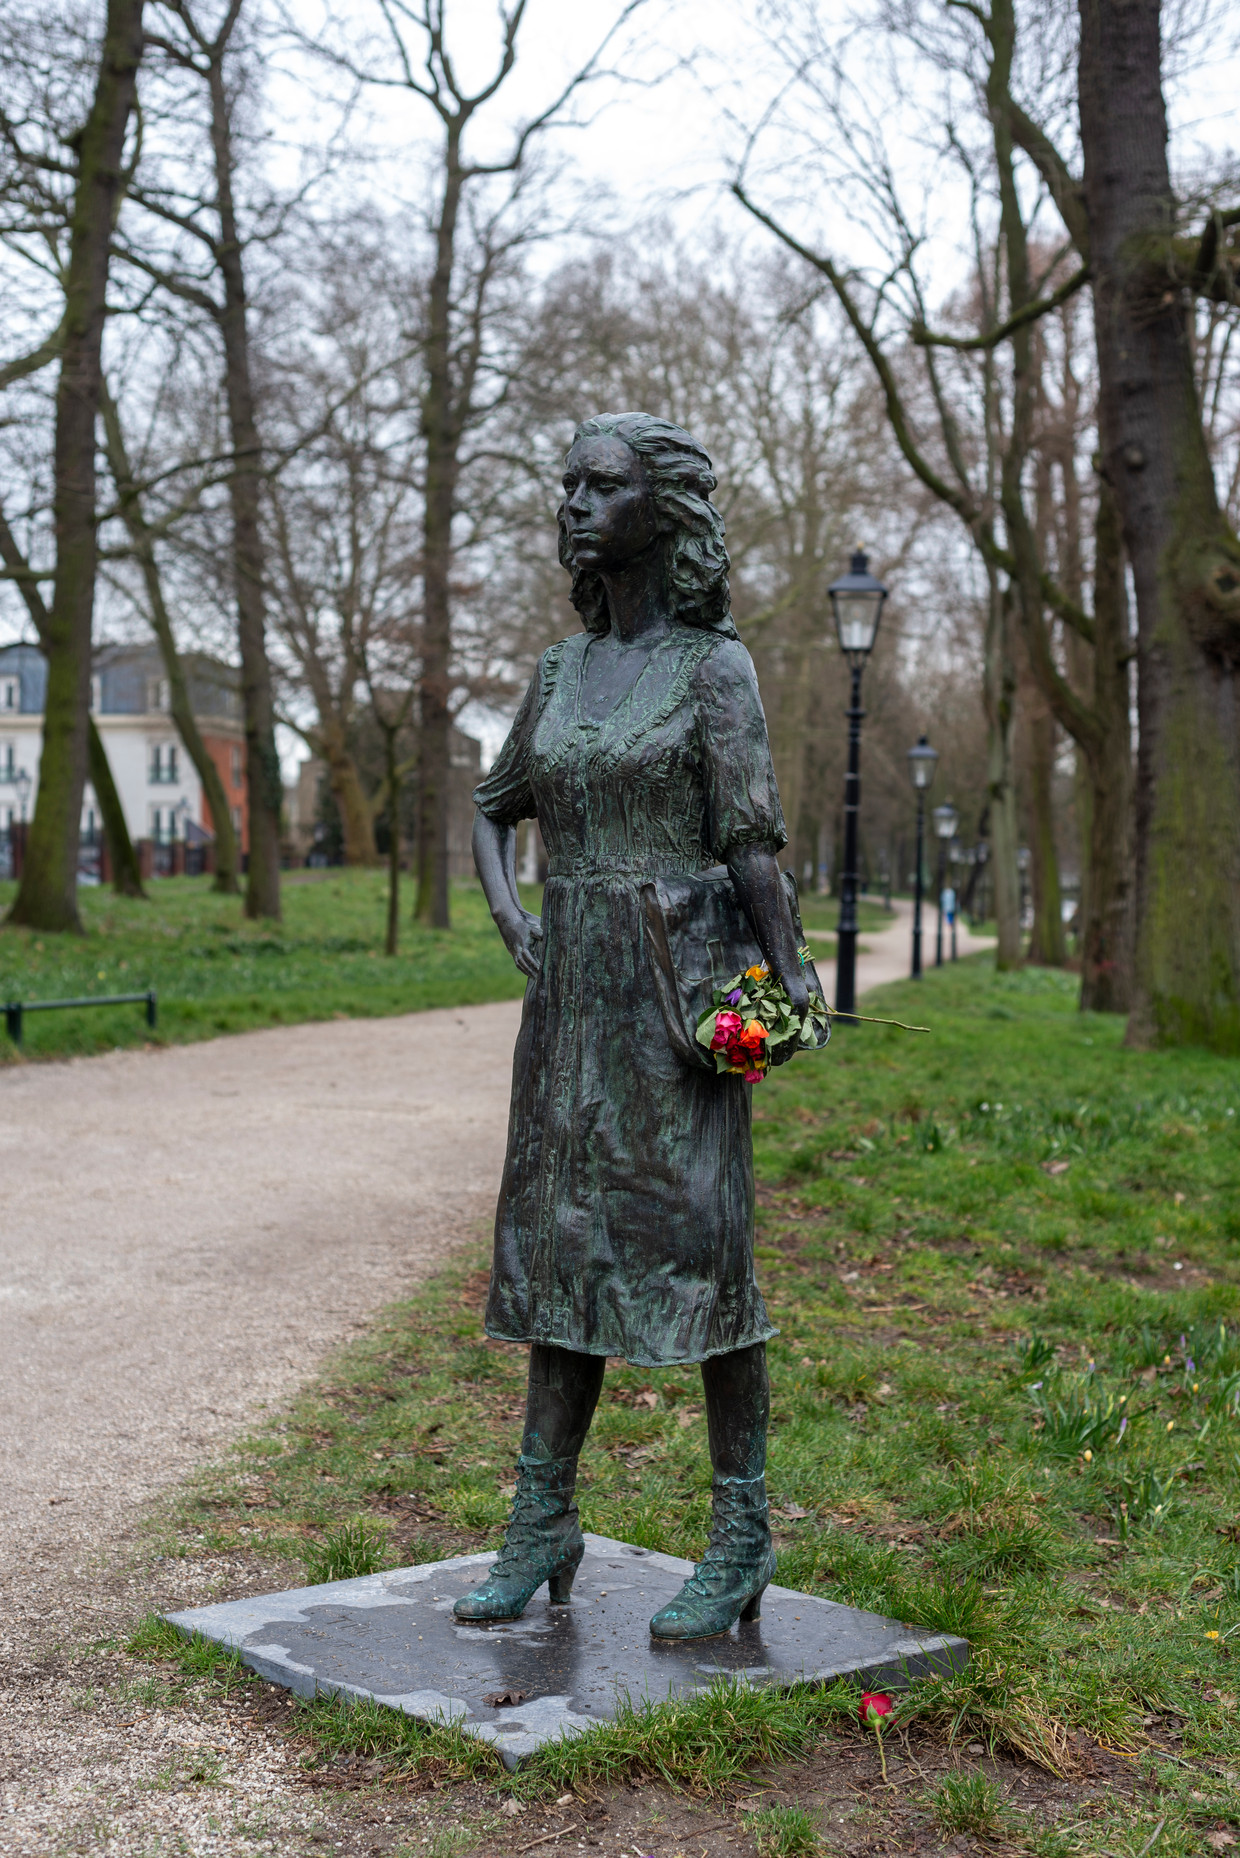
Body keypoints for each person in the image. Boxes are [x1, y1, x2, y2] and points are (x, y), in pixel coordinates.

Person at [459, 412, 808, 1643]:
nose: (573, 505)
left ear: (660, 512)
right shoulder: (558, 672)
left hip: (679, 996)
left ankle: (740, 1531)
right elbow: (495, 805)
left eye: (600, 486)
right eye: (567, 485)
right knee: (558, 1250)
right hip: (567, 1009)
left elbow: (750, 843)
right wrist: (511, 916)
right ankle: (541, 1519)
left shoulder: (717, 669)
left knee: (708, 1258)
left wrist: (787, 981)